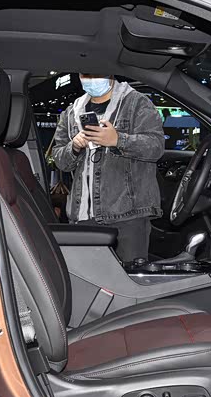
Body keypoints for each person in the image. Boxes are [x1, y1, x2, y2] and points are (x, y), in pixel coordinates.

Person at [51, 74, 165, 262]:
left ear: (110, 73)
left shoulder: (136, 103)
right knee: (90, 276)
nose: (90, 78)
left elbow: (156, 147)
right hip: (82, 216)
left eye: (96, 72)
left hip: (127, 214)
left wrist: (118, 140)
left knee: (127, 276)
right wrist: (75, 146)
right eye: (85, 74)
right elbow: (60, 160)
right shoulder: (72, 112)